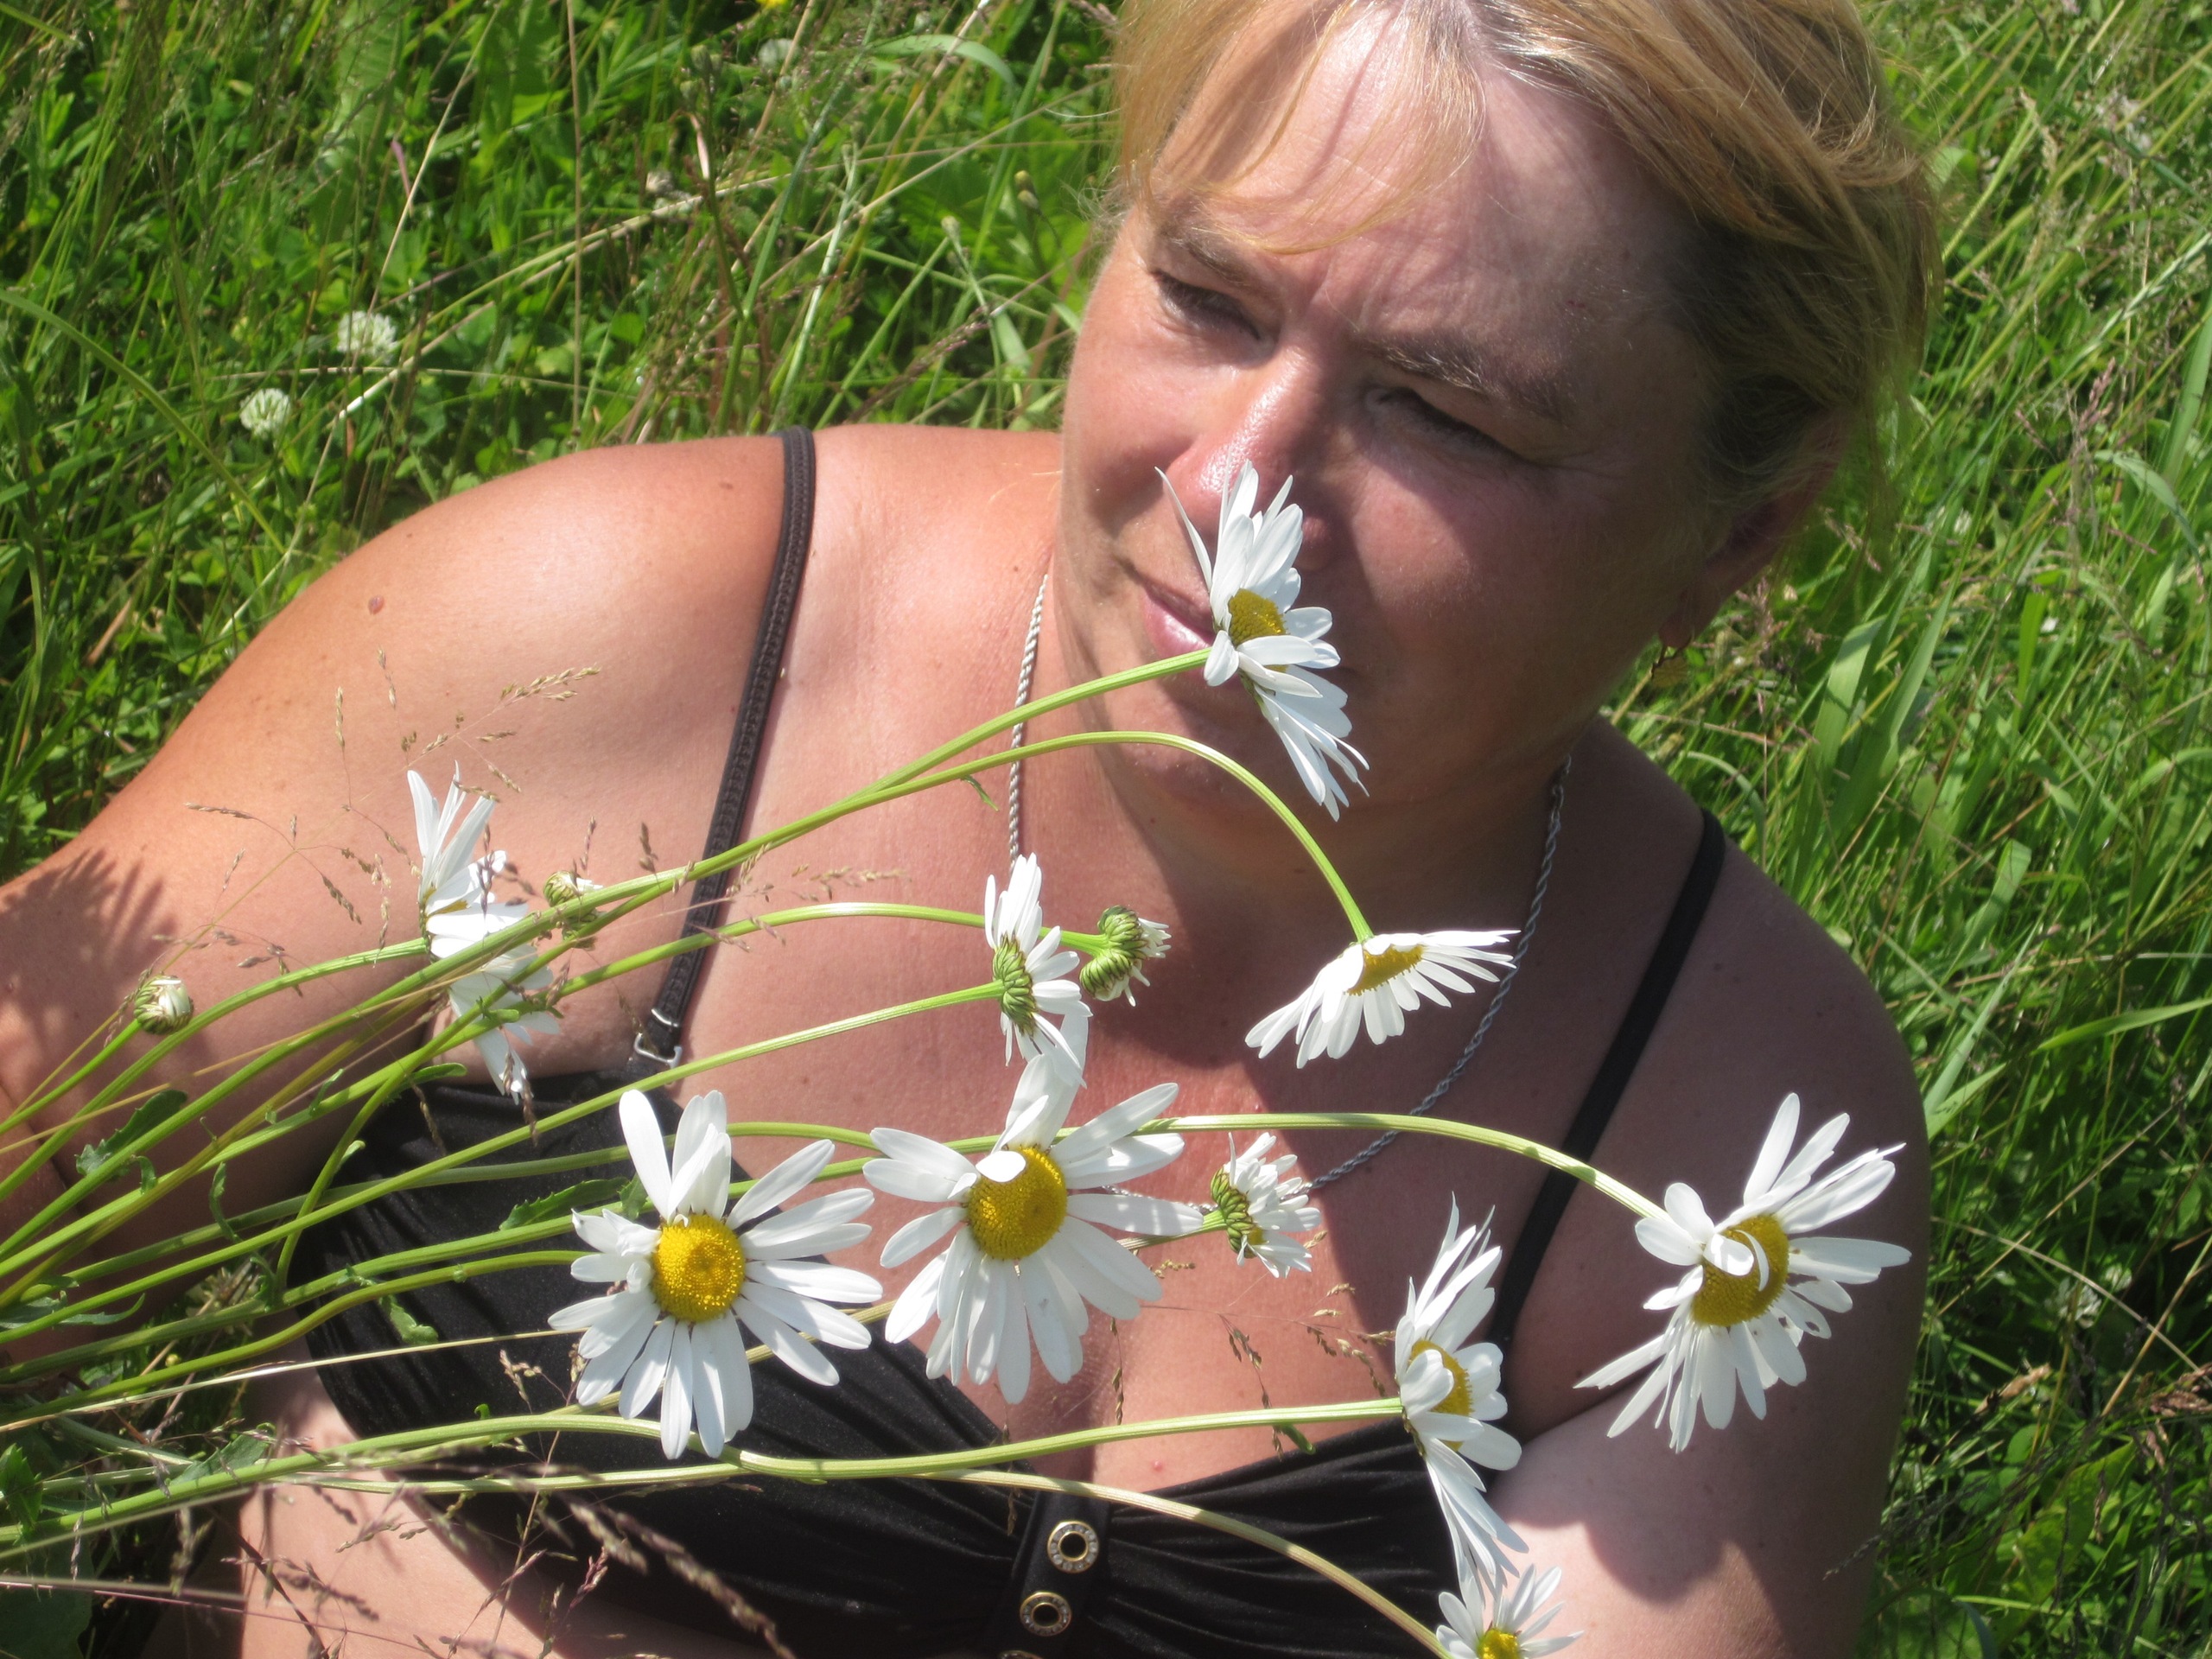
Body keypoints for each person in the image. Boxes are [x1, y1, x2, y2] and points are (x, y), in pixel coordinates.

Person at [0, 0, 1936, 1652]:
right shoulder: (631, 659)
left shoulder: (1725, 1165)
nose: (1235, 486)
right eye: (1204, 295)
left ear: (1740, 528)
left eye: (1445, 410)